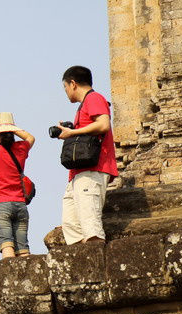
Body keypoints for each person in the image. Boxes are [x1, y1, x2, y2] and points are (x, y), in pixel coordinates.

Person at [55, 65, 118, 245]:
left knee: (91, 227)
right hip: (78, 173)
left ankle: (97, 260)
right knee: (72, 226)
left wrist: (72, 133)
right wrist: (72, 130)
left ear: (73, 84)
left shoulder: (94, 98)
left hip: (93, 170)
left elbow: (103, 124)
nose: (66, 92)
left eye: (65, 87)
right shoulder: (84, 105)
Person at [0, 113, 36, 259]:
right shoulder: (21, 148)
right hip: (20, 204)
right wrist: (13, 129)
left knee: (7, 247)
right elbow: (30, 138)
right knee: (23, 250)